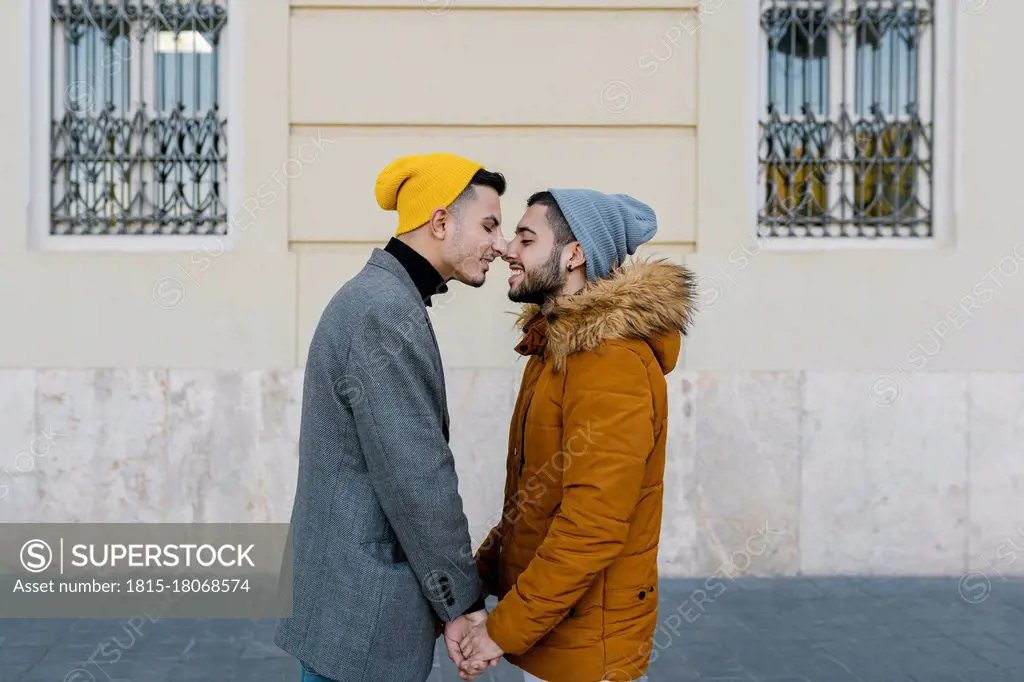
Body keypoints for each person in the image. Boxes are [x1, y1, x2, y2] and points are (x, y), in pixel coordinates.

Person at [274, 152, 508, 682]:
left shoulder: (381, 299)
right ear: (441, 221)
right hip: (362, 617)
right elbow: (417, 479)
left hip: (347, 609)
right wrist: (463, 604)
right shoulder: (385, 311)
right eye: (489, 225)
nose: (499, 244)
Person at [455, 189, 696, 682]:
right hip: (557, 640)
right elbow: (533, 501)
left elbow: (591, 526)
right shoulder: (553, 350)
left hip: (589, 652)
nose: (507, 249)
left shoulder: (610, 361)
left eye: (526, 238)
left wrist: (501, 631)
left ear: (574, 255)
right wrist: (473, 581)